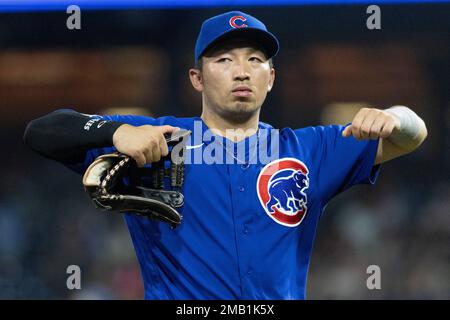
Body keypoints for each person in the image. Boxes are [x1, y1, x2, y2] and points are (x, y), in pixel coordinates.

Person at [23, 11, 427, 299]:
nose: (241, 70)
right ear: (197, 78)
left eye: (255, 59)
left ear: (271, 78)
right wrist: (118, 130)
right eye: (224, 59)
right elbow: (41, 131)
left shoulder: (307, 149)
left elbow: (412, 134)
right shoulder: (163, 139)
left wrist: (394, 116)